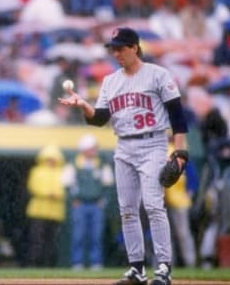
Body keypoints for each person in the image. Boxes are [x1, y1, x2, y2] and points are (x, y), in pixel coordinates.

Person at [59, 27, 188, 285]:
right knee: (128, 211)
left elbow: (177, 115)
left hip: (152, 143)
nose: (116, 53)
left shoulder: (158, 75)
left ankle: (163, 268)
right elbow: (100, 120)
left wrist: (180, 152)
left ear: (135, 48)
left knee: (153, 205)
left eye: (120, 48)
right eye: (113, 48)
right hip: (124, 147)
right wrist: (84, 106)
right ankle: (137, 270)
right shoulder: (110, 81)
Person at [63, 133, 114, 270]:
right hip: (80, 204)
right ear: (84, 149)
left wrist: (103, 201)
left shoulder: (102, 163)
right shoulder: (74, 163)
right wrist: (73, 200)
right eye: (92, 148)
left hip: (96, 205)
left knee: (96, 235)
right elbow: (67, 184)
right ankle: (77, 262)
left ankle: (96, 262)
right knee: (78, 235)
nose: (94, 150)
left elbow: (108, 184)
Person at [25, 143, 66, 267]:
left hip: (55, 212)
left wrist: (56, 194)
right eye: (48, 158)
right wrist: (48, 194)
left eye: (53, 158)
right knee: (36, 240)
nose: (51, 161)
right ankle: (34, 263)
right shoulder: (36, 171)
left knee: (51, 241)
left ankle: (48, 264)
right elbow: (32, 186)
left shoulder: (62, 172)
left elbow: (66, 188)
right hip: (38, 211)